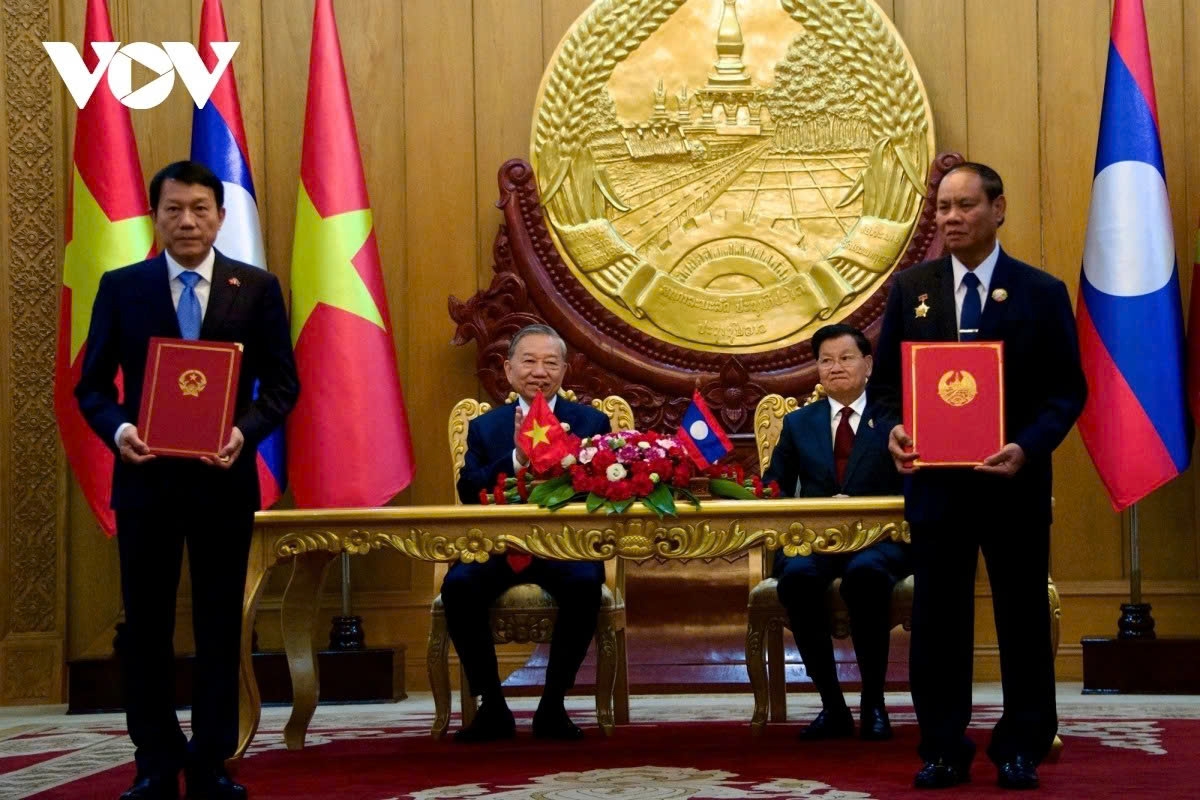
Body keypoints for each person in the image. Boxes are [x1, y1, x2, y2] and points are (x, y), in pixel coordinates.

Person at [75, 161, 299, 800]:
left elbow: (283, 385)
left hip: (221, 482)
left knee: (220, 623)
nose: (188, 221)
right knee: (144, 625)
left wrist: (244, 432)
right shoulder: (123, 287)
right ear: (156, 216)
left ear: (220, 217)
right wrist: (120, 433)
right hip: (145, 483)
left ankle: (210, 761)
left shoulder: (254, 288)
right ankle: (152, 761)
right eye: (174, 209)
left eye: (200, 209)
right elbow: (91, 387)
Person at [872, 162, 1086, 790]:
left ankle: (1021, 745)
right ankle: (941, 746)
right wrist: (894, 430)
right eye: (942, 208)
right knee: (938, 621)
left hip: (1012, 485)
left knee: (1021, 617)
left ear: (999, 209)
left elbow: (1066, 392)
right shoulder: (911, 288)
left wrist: (1027, 445)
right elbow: (885, 388)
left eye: (965, 206)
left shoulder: (1040, 291)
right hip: (936, 491)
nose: (952, 218)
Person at [445, 324, 610, 742]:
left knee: (588, 582)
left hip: (563, 548)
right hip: (500, 548)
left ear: (565, 370)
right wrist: (517, 456)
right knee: (458, 586)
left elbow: (605, 489)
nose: (540, 371)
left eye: (550, 362)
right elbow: (470, 491)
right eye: (529, 361)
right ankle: (493, 707)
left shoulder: (590, 421)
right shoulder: (486, 427)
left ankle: (552, 706)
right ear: (508, 368)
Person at [763, 323, 907, 742]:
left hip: (880, 541)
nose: (835, 368)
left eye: (845, 359)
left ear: (867, 365)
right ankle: (832, 703)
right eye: (826, 361)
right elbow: (775, 487)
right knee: (798, 578)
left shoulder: (894, 421)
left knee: (866, 577)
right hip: (817, 541)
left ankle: (874, 702)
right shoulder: (799, 424)